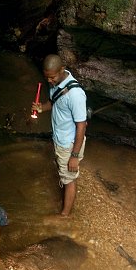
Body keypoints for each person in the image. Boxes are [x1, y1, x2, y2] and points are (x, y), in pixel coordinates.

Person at [31, 54, 87, 216]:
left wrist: (74, 155)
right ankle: (65, 199)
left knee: (69, 180)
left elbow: (81, 125)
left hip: (69, 144)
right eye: (47, 77)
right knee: (66, 174)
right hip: (60, 139)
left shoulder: (76, 95)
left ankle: (64, 216)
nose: (49, 81)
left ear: (62, 70)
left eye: (52, 77)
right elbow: (54, 102)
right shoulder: (57, 82)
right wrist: (42, 108)